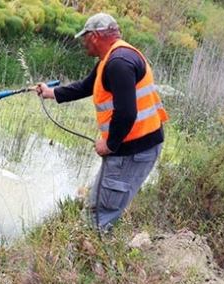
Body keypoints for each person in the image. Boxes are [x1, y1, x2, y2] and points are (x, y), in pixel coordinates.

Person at [35, 13, 168, 234]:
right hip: (135, 146)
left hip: (132, 150)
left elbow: (126, 113)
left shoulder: (118, 63)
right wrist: (52, 93)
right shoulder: (114, 57)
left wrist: (110, 144)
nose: (84, 44)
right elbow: (86, 86)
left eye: (85, 38)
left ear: (95, 36)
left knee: (100, 213)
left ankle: (86, 257)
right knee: (101, 205)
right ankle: (89, 248)